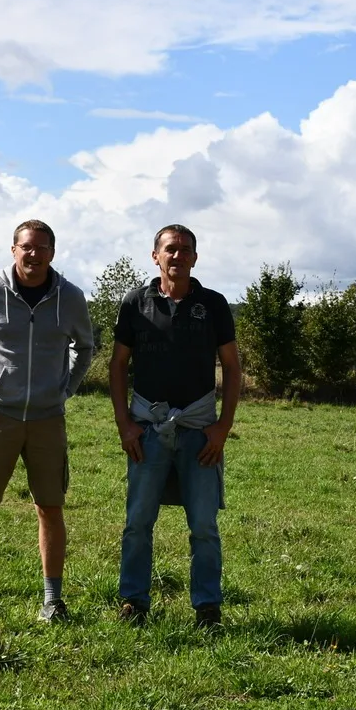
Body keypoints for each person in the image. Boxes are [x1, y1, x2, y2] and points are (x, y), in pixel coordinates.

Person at [0, 219, 94, 622]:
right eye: (27, 247)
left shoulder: (70, 297)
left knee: (51, 508)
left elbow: (86, 346)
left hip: (48, 419)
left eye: (42, 247)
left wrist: (66, 389)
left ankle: (52, 601)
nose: (34, 254)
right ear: (14, 250)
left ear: (52, 253)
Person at [109, 224, 242, 627]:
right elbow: (118, 365)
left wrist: (222, 427)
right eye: (170, 249)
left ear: (195, 258)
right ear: (155, 256)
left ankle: (207, 608)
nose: (177, 256)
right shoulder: (136, 303)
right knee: (137, 523)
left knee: (203, 525)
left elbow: (233, 369)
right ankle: (134, 602)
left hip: (199, 430)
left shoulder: (214, 305)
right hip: (146, 429)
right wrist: (124, 425)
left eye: (185, 250)